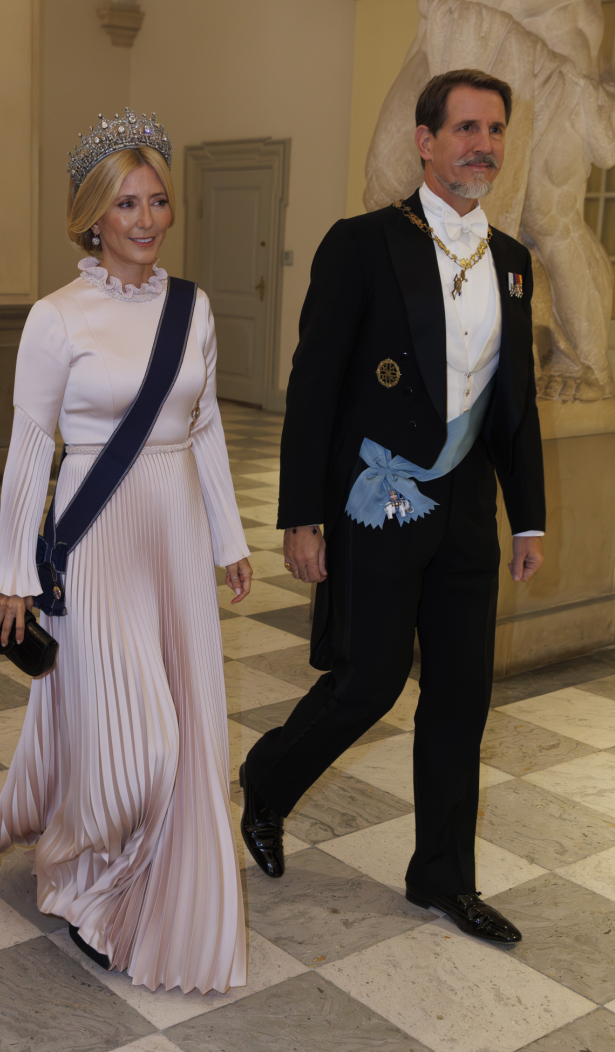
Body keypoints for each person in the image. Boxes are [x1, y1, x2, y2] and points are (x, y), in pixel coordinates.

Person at [241, 70, 545, 944]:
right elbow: (314, 386)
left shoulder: (515, 265)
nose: (481, 144)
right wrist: (302, 514)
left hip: (466, 518)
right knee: (368, 682)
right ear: (425, 139)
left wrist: (526, 516)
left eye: (493, 130)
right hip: (379, 505)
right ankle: (268, 778)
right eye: (464, 128)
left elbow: (513, 403)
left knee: (461, 695)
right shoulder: (364, 243)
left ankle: (441, 877)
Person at [0, 110, 252, 994]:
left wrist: (229, 537)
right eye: (127, 203)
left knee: (189, 725)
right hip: (96, 540)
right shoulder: (56, 318)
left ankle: (150, 885)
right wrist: (12, 569)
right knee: (138, 746)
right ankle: (76, 866)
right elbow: (29, 446)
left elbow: (203, 430)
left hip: (173, 531)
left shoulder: (192, 307)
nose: (148, 219)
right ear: (94, 215)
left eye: (159, 200)